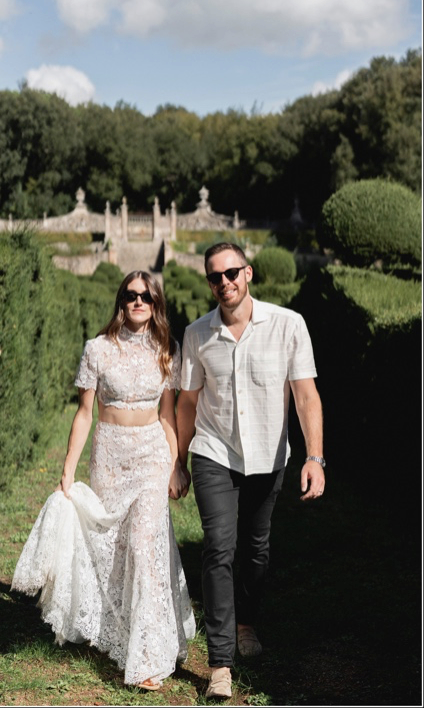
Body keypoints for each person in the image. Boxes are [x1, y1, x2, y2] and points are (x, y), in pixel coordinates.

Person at [13, 271, 196, 691]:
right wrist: (68, 468)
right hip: (110, 455)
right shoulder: (97, 349)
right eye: (131, 295)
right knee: (113, 545)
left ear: (156, 303)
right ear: (121, 300)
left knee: (144, 544)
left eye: (146, 297)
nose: (138, 302)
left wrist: (176, 464)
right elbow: (84, 413)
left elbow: (168, 415)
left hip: (151, 452)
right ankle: (116, 627)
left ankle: (148, 655)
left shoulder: (168, 349)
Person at [176, 241, 324, 700]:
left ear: (249, 273)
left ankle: (245, 622)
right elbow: (187, 403)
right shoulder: (197, 334)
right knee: (218, 548)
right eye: (215, 277)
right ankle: (220, 663)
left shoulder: (288, 325)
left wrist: (315, 458)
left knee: (255, 551)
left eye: (231, 273)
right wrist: (176, 462)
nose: (224, 283)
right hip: (213, 452)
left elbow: (305, 397)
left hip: (267, 457)